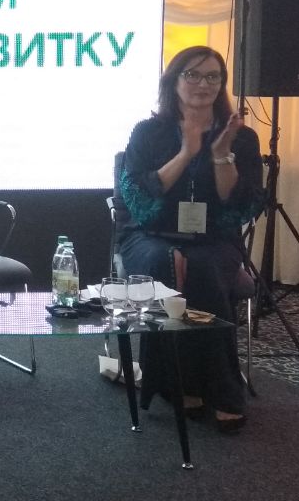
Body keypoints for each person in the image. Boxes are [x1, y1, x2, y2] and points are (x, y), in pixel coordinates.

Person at [118, 45, 264, 434]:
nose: (203, 84)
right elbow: (139, 201)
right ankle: (179, 384)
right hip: (149, 235)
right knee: (165, 262)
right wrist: (186, 152)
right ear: (173, 81)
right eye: (193, 75)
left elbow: (238, 205)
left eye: (213, 76)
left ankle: (220, 389)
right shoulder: (148, 132)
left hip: (214, 238)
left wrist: (220, 155)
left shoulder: (242, 137)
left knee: (201, 267)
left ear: (222, 83)